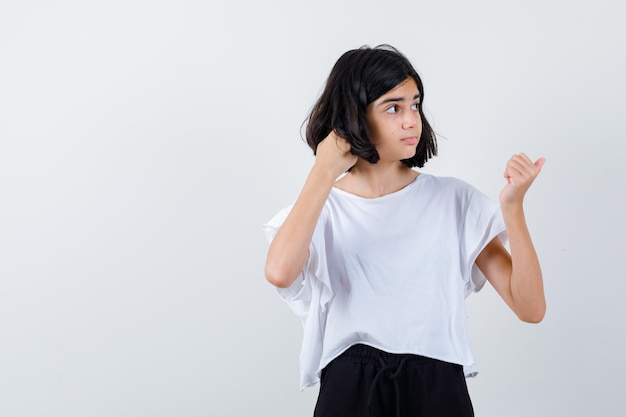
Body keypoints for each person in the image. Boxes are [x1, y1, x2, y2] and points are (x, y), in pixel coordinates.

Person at [263, 44, 546, 417]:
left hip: (437, 383)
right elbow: (280, 273)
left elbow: (530, 307)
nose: (412, 120)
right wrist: (323, 169)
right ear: (355, 116)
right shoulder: (321, 209)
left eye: (415, 104)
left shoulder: (453, 201)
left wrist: (513, 208)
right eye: (393, 107)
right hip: (351, 385)